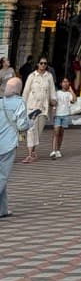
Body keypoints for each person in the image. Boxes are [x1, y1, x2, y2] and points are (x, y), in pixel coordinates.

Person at [0, 76, 30, 217]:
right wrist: (31, 123)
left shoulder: (1, 102)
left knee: (2, 177)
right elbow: (21, 125)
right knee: (2, 176)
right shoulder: (19, 103)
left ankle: (3, 210)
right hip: (7, 145)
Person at [21, 56, 56, 162]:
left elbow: (52, 91)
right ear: (37, 64)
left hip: (43, 108)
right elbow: (26, 91)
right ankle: (30, 154)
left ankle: (33, 151)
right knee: (31, 130)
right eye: (41, 63)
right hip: (32, 107)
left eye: (45, 63)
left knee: (38, 131)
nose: (43, 65)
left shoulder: (49, 76)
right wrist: (22, 106)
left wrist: (53, 103)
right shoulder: (32, 76)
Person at [50, 77, 77, 158]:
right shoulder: (57, 93)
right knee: (56, 132)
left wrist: (71, 90)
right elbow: (53, 102)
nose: (65, 83)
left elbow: (74, 100)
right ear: (61, 84)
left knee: (61, 133)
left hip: (65, 115)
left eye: (67, 82)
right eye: (64, 82)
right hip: (58, 115)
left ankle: (58, 150)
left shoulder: (69, 94)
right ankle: (53, 150)